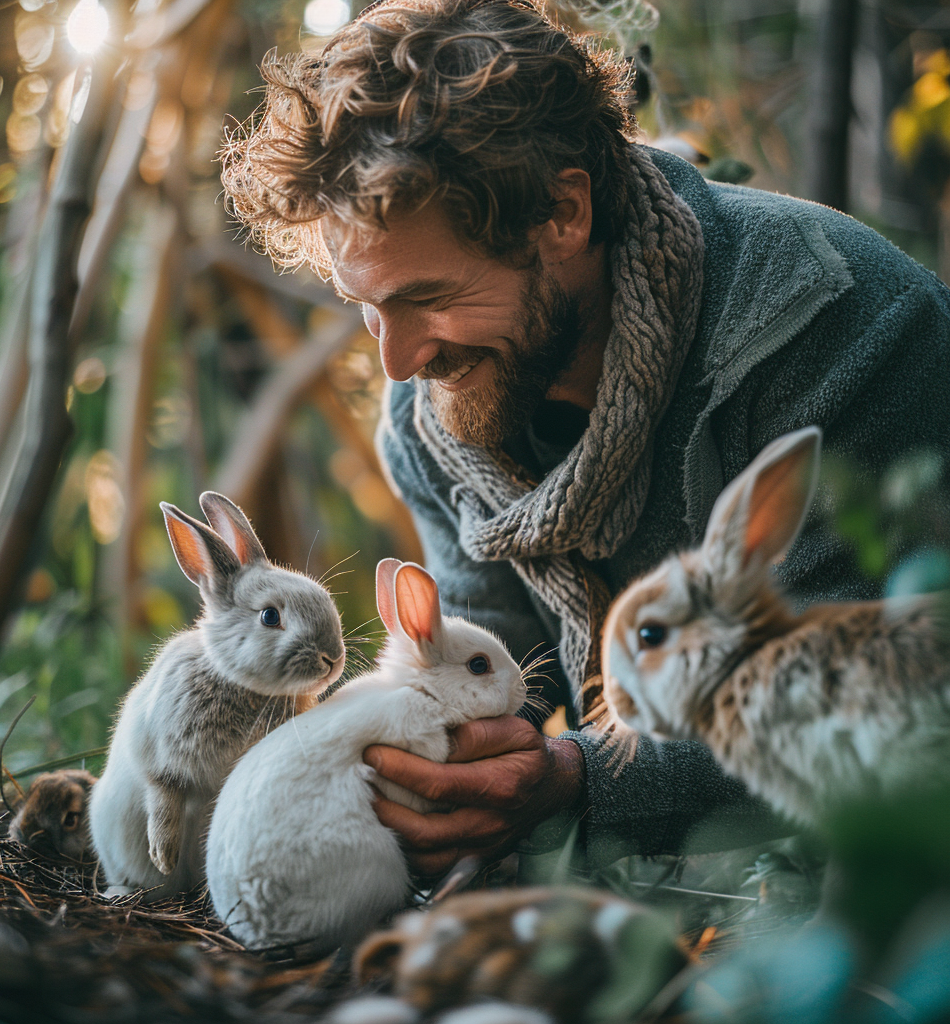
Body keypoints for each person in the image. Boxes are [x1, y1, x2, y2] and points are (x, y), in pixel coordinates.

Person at [220, 0, 950, 878]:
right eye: (367, 308)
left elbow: (865, 707)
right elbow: (476, 654)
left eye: (427, 296)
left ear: (564, 211)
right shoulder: (435, 426)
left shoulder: (839, 322)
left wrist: (575, 778)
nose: (402, 361)